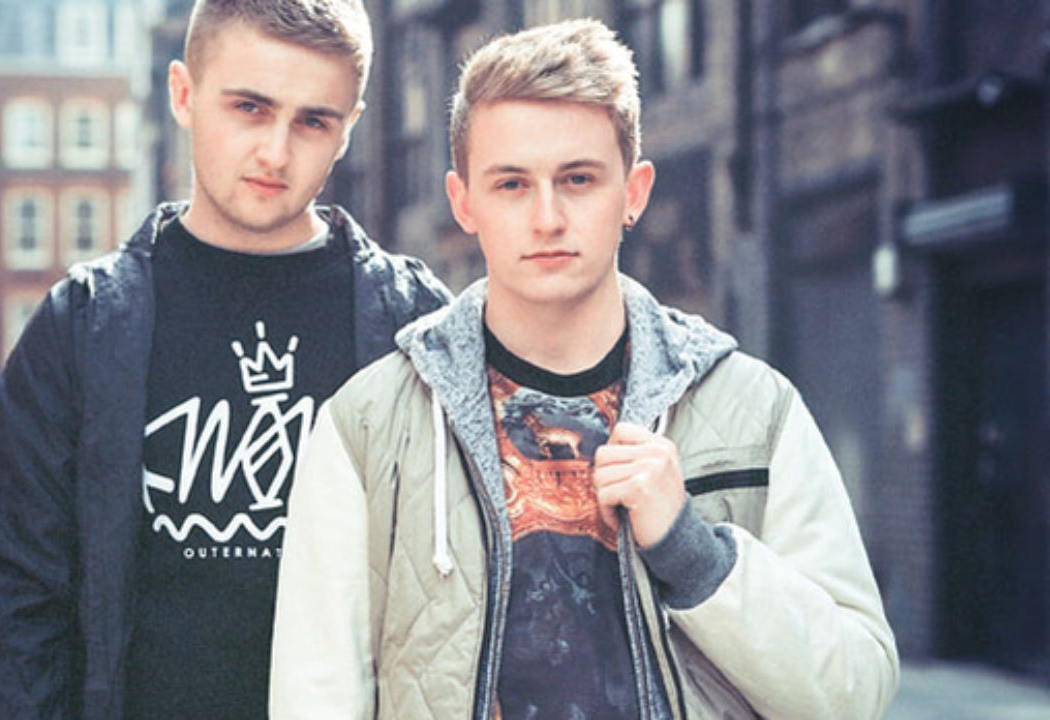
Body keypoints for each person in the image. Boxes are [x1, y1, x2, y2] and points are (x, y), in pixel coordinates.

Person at [270, 18, 899, 720]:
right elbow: (315, 697)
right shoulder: (368, 425)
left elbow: (856, 692)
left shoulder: (754, 409)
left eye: (577, 179)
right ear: (463, 203)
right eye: (512, 184)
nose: (547, 218)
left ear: (634, 192)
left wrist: (692, 553)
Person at [0, 1, 450, 718]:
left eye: (313, 121)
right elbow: (12, 605)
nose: (276, 152)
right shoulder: (84, 326)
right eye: (250, 108)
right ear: (183, 95)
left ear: (349, 128)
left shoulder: (413, 324)